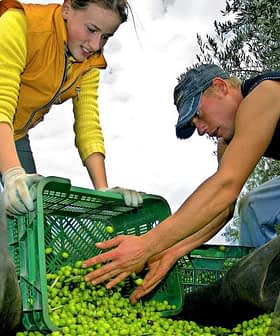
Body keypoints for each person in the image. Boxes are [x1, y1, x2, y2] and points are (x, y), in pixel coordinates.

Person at [83, 63, 280, 303]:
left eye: (197, 115)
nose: (200, 130)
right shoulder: (227, 142)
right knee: (253, 206)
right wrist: (172, 251)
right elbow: (222, 207)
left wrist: (146, 245)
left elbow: (225, 187)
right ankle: (259, 295)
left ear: (220, 87)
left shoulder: (266, 92)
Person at [0, 0, 142, 217]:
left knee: (30, 210)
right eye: (91, 29)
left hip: (16, 134)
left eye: (105, 37)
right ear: (67, 9)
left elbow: (88, 125)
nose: (95, 45)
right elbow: (2, 103)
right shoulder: (21, 25)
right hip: (3, 119)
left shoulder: (90, 63)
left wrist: (102, 192)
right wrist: (12, 174)